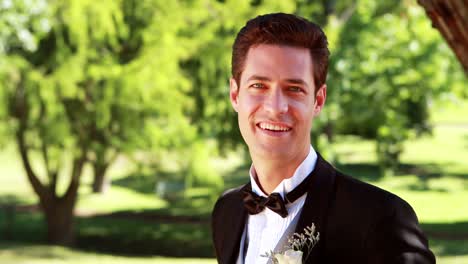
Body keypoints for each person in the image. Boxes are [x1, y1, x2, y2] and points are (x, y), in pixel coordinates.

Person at [211, 13, 435, 264]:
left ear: (318, 100)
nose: (275, 107)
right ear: (235, 94)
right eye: (259, 86)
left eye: (294, 89)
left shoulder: (381, 217)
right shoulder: (226, 212)